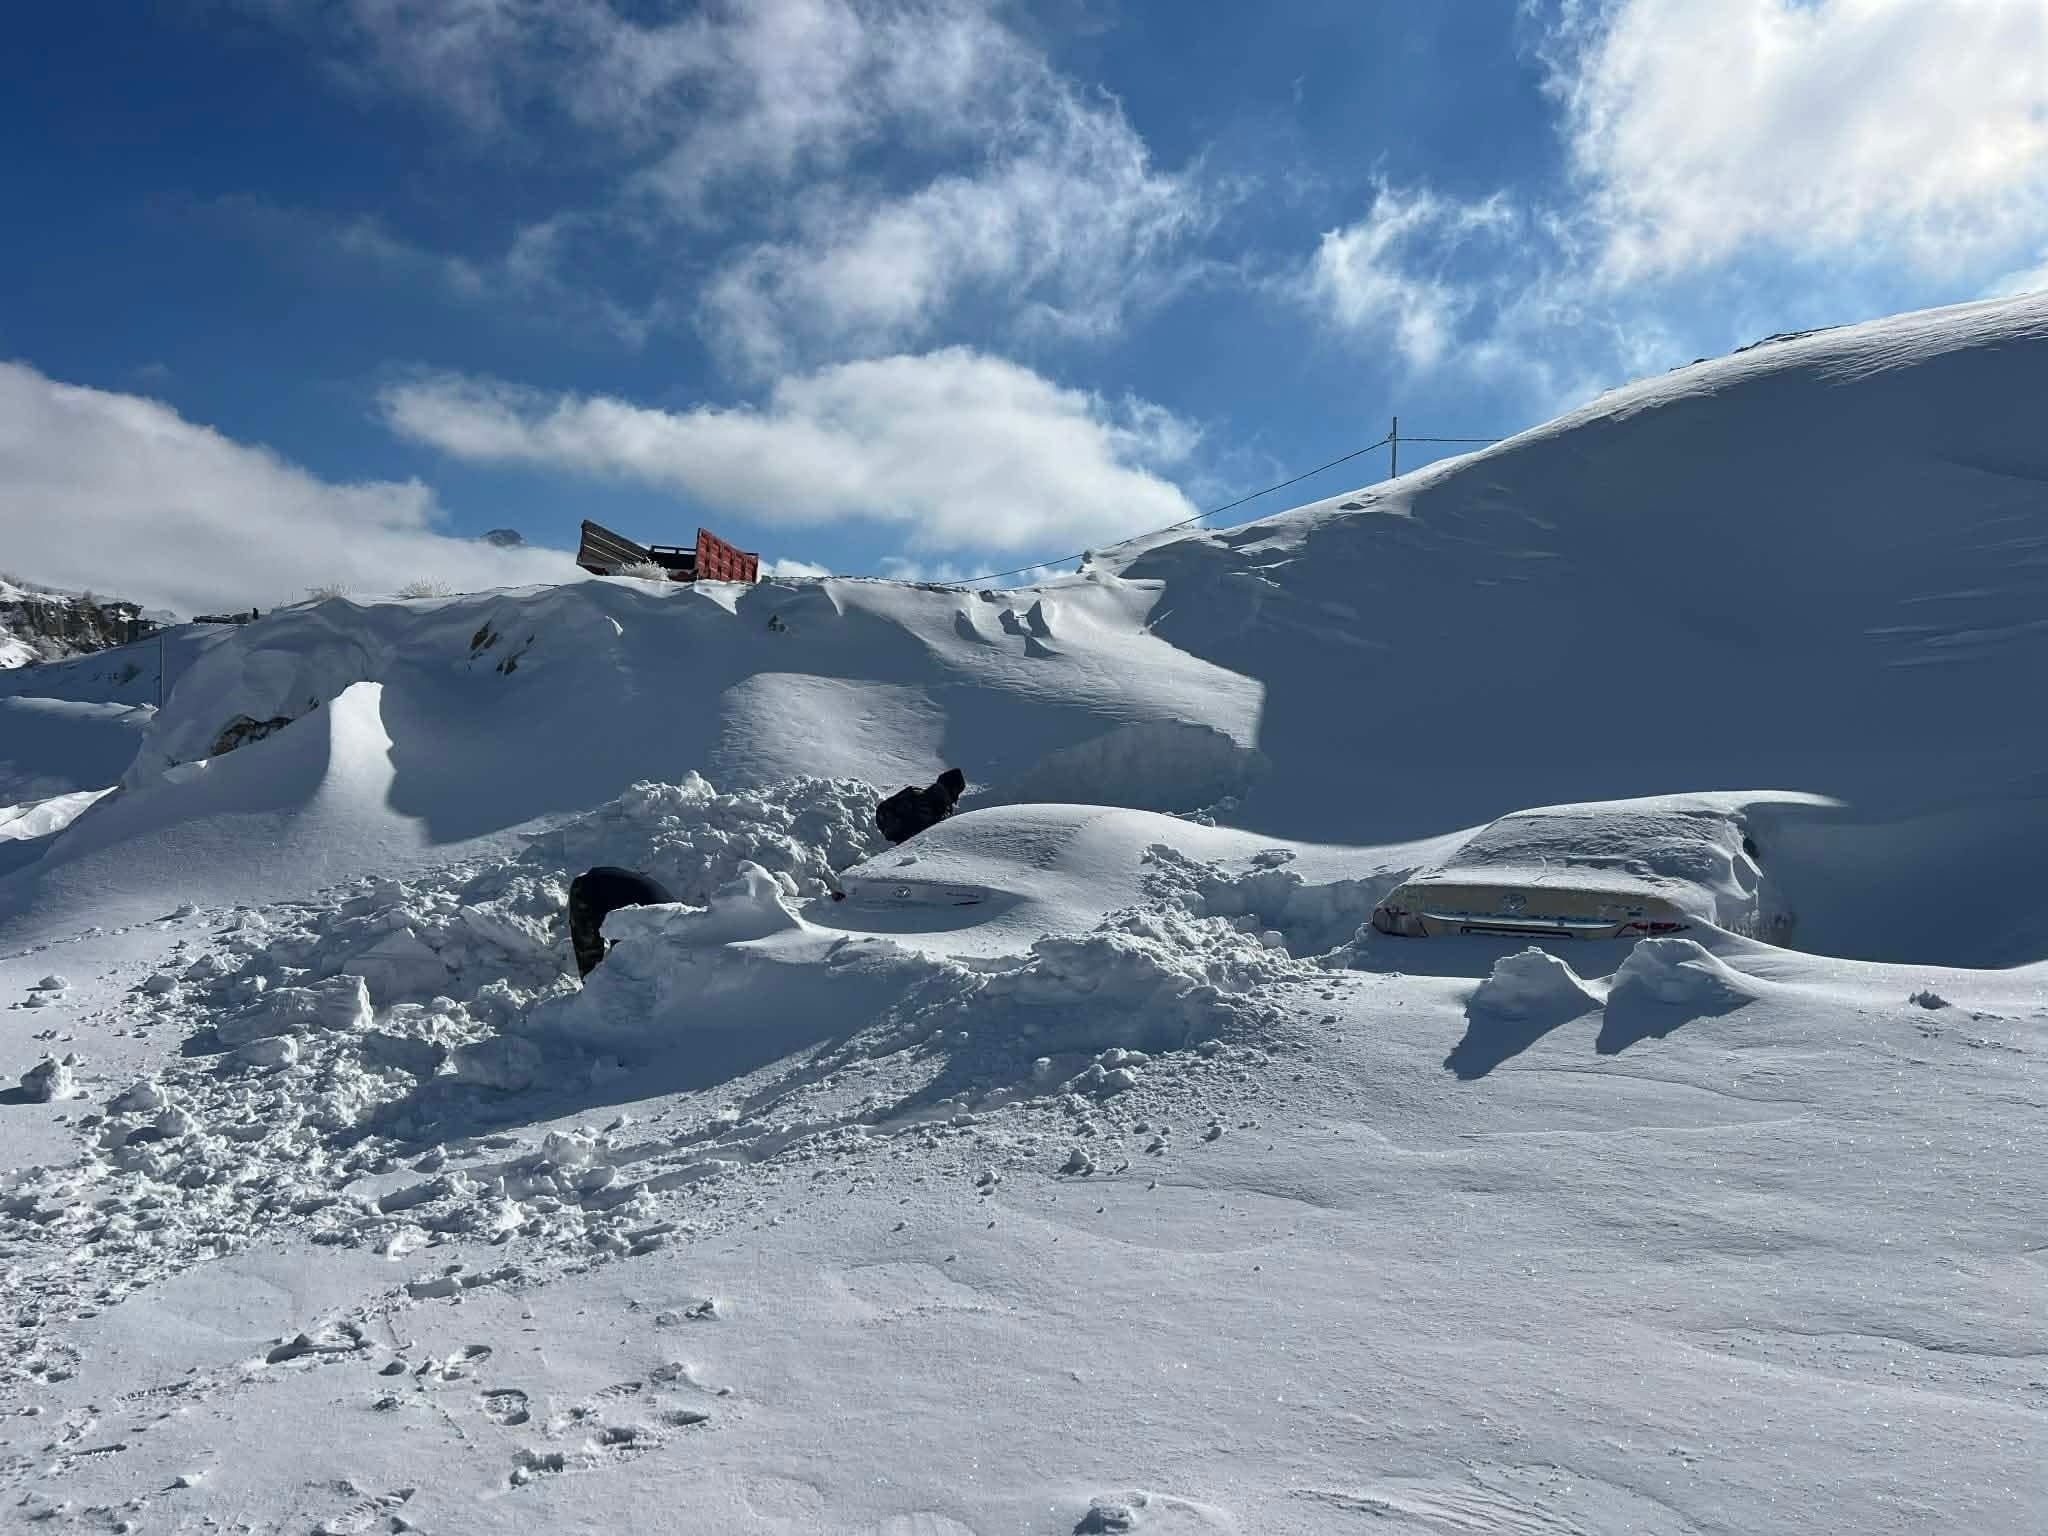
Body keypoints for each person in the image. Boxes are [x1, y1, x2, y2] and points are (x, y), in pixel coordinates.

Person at [568, 866, 674, 977]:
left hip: (621, 884)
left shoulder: (682, 923)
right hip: (588, 887)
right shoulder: (650, 928)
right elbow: (624, 950)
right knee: (590, 956)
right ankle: (590, 987)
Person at [874, 767, 967, 845]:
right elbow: (883, 810)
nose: (949, 800)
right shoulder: (913, 796)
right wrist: (895, 831)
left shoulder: (946, 811)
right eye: (950, 795)